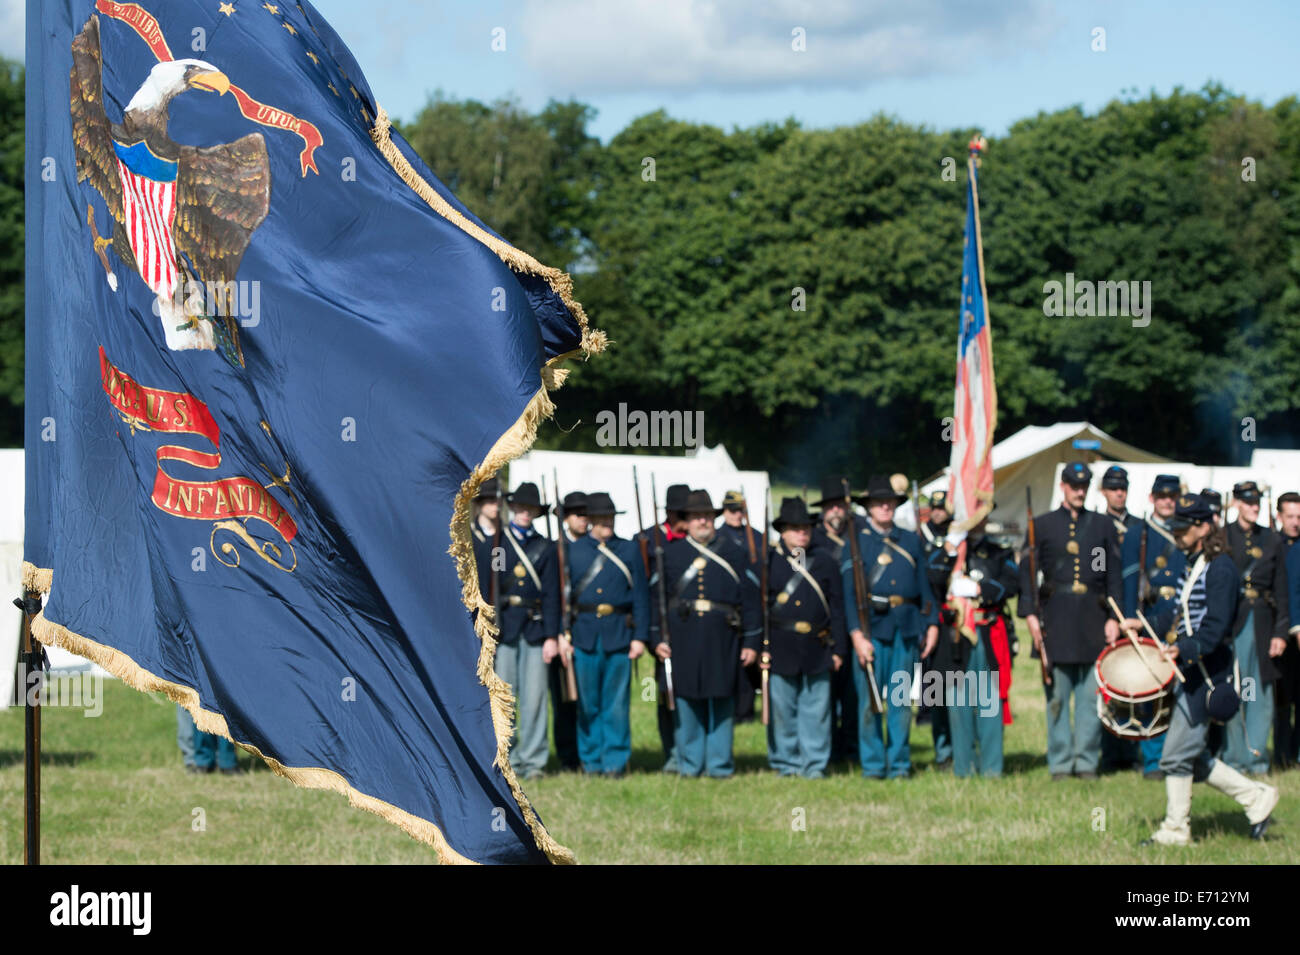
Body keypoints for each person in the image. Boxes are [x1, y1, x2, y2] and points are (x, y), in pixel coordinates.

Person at [1133, 493, 1279, 845]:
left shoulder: (1222, 569)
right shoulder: (1195, 562)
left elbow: (1215, 627)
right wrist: (1141, 623)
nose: (1177, 533)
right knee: (1193, 758)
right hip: (1192, 670)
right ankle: (1257, 797)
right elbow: (1180, 614)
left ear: (1203, 527)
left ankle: (1175, 828)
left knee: (1176, 755)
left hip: (1208, 672)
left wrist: (1181, 648)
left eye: (1183, 528)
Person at [1019, 461, 1122, 780]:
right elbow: (1027, 575)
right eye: (1073, 485)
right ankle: (1062, 762)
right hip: (1057, 618)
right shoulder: (1043, 525)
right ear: (1062, 486)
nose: (1079, 491)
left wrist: (1113, 617)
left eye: (1084, 486)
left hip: (1092, 616)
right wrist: (1031, 616)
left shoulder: (1101, 526)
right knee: (1058, 698)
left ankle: (1087, 760)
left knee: (1091, 699)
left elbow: (1109, 574)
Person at [649, 490, 761, 777]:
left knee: (722, 699)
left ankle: (720, 765)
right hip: (682, 637)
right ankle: (690, 763)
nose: (703, 521)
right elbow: (656, 599)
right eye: (697, 517)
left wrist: (751, 640)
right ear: (686, 521)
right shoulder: (671, 554)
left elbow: (750, 599)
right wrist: (656, 638)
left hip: (723, 637)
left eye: (708, 516)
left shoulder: (734, 553)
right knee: (686, 699)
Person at [841, 475, 939, 779]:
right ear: (868, 507)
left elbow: (924, 586)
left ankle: (898, 764)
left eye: (890, 502)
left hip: (906, 627)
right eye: (878, 502)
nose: (885, 506)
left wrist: (932, 623)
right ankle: (872, 765)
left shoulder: (910, 540)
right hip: (872, 629)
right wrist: (857, 635)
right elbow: (848, 595)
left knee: (899, 702)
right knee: (871, 701)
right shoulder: (856, 542)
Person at [763, 497, 847, 778]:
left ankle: (814, 764)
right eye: (795, 528)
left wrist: (838, 649)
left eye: (806, 528)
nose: (802, 533)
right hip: (781, 644)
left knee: (817, 711)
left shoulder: (825, 561)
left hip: (817, 645)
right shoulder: (770, 561)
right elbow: (761, 607)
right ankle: (786, 763)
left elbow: (837, 607)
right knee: (782, 710)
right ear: (783, 531)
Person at [566, 492, 649, 776]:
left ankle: (615, 761)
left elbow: (640, 596)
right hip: (584, 634)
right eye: (602, 518)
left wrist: (639, 637)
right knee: (588, 704)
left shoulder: (628, 550)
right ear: (591, 521)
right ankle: (591, 761)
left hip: (619, 634)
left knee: (616, 704)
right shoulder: (574, 551)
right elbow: (563, 598)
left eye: (610, 518)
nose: (607, 523)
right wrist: (564, 634)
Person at [492, 481, 561, 781]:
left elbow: (552, 595)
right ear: (512, 508)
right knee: (506, 696)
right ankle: (508, 756)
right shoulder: (499, 543)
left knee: (534, 698)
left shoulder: (544, 547)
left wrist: (552, 635)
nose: (524, 513)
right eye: (520, 507)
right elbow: (493, 585)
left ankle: (533, 760)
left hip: (535, 627)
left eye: (529, 508)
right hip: (505, 626)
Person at [1221, 480, 1290, 775]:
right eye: (1248, 502)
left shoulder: (1271, 540)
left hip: (1262, 621)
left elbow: (1282, 590)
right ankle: (1234, 758)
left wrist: (1280, 632)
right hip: (1231, 620)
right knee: (1234, 690)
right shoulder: (1223, 536)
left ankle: (1257, 758)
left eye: (1257, 502)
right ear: (1236, 503)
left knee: (1259, 694)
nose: (1254, 507)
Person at [1120, 473, 1184, 780]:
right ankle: (1153, 760)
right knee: (1151, 691)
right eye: (1162, 497)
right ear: (1152, 499)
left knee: (1182, 691)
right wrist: (1131, 618)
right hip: (1150, 616)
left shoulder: (1188, 530)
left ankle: (1180, 755)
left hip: (1181, 616)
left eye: (1172, 497)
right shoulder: (1138, 534)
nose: (1167, 502)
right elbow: (1131, 578)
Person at [944, 515, 1019, 777]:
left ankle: (991, 768)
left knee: (989, 701)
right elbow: (932, 578)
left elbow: (1010, 584)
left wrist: (976, 588)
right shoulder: (948, 551)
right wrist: (948, 554)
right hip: (957, 635)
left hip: (987, 632)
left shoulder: (999, 551)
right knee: (958, 702)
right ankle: (963, 768)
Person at [809, 475, 865, 764]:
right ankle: (828, 748)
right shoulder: (813, 539)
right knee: (825, 695)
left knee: (854, 692)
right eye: (830, 506)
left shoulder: (859, 536)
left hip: (857, 622)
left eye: (840, 506)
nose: (835, 511)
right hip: (826, 625)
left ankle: (853, 748)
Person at [1098, 465, 1146, 774]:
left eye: (1123, 488)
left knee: (1139, 684)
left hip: (1137, 612)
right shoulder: (1095, 525)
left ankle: (1137, 749)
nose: (1119, 493)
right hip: (1107, 615)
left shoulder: (1140, 527)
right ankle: (1111, 751)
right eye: (1114, 488)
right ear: (1103, 491)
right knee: (1110, 686)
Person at [645, 483, 691, 772]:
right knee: (666, 693)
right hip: (662, 625)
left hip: (693, 628)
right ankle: (672, 752)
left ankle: (689, 750)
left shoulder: (699, 541)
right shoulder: (648, 539)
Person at [717, 489, 763, 723]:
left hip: (753, 604)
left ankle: (746, 711)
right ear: (724, 511)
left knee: (751, 663)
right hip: (729, 604)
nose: (736, 515)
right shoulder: (717, 537)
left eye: (740, 511)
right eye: (732, 510)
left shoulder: (757, 537)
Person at [548, 490, 586, 771]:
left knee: (587, 699)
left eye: (586, 514)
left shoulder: (594, 548)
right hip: (562, 631)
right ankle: (567, 755)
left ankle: (587, 753)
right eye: (577, 514)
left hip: (586, 631)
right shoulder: (554, 548)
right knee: (562, 698)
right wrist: (559, 631)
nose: (582, 520)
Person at [918, 490, 956, 769]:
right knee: (932, 671)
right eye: (935, 508)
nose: (938, 512)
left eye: (942, 508)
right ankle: (927, 711)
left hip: (958, 614)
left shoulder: (957, 537)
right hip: (933, 612)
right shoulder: (922, 537)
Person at [1276, 492, 1300, 768]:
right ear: (1280, 516)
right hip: (1282, 633)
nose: (1295, 523)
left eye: (1299, 517)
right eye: (1290, 516)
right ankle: (1281, 755)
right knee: (1282, 699)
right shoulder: (1273, 545)